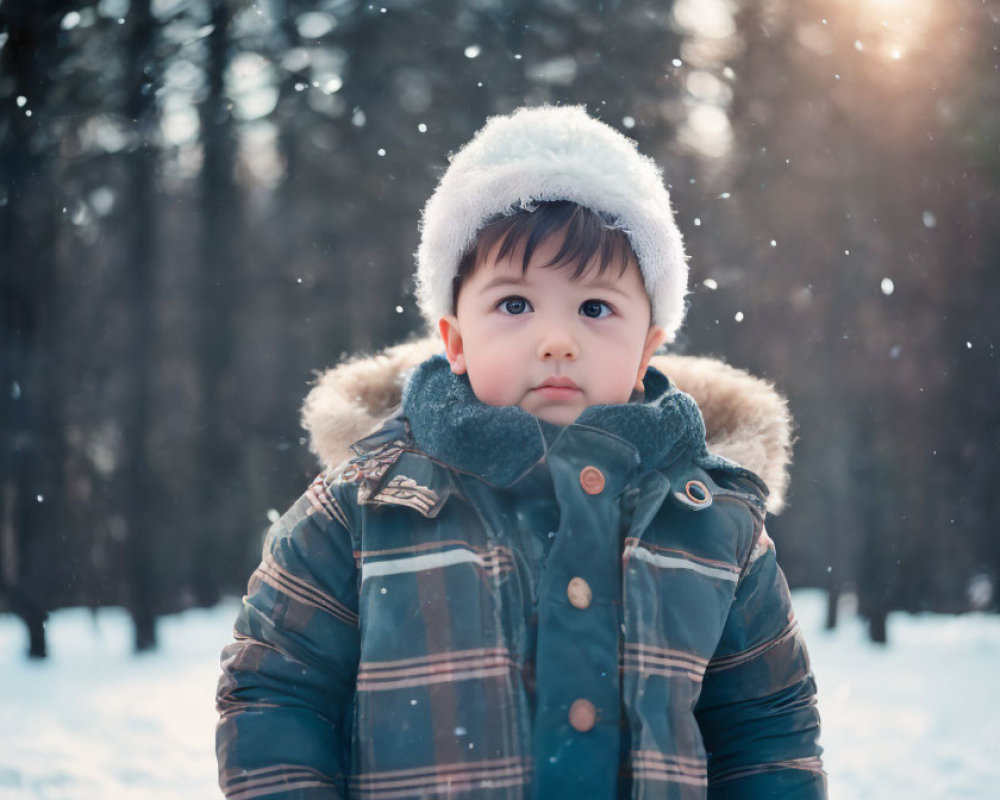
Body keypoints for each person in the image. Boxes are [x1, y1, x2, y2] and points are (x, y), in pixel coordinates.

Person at [216, 105, 826, 799]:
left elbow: (767, 727)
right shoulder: (363, 508)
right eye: (514, 305)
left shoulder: (713, 526)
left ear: (647, 349)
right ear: (455, 341)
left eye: (595, 308)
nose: (557, 340)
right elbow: (273, 694)